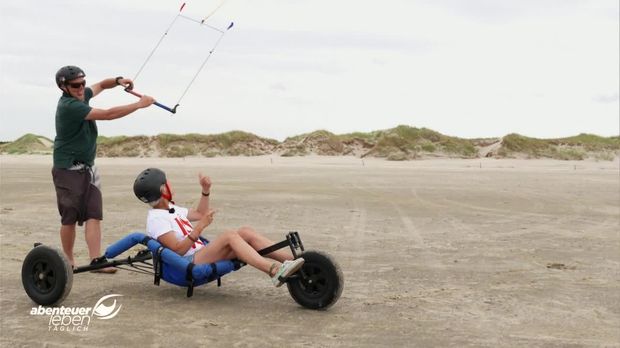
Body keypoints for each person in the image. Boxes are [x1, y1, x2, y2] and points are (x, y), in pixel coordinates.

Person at [52, 65, 155, 272]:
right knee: (70, 217)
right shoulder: (70, 106)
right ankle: (68, 260)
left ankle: (96, 260)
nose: (81, 88)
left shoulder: (81, 96)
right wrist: (138, 105)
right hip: (67, 169)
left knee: (94, 214)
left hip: (88, 168)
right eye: (76, 85)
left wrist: (118, 81)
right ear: (64, 87)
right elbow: (108, 114)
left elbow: (100, 85)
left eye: (82, 83)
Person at [133, 168, 305, 286]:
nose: (171, 185)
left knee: (245, 232)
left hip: (200, 253)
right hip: (187, 262)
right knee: (229, 236)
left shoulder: (171, 209)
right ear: (163, 189)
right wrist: (199, 228)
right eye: (168, 183)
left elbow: (200, 213)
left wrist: (205, 190)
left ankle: (295, 263)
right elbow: (177, 251)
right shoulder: (156, 220)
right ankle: (273, 271)